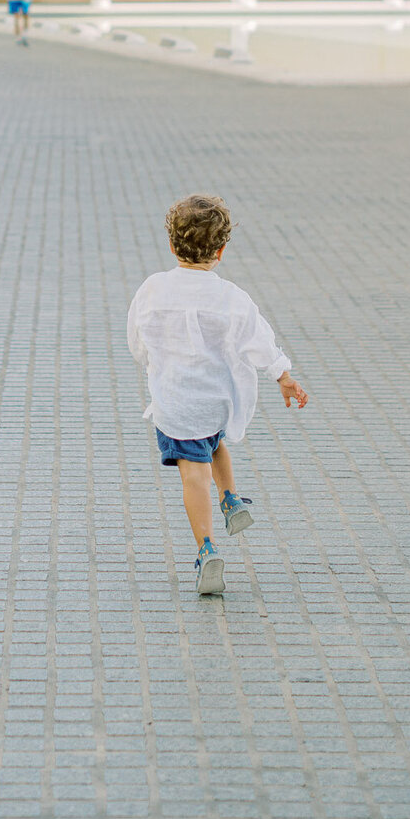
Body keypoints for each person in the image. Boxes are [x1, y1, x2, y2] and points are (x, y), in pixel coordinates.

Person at [127, 193, 309, 597]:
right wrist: (282, 375)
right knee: (215, 443)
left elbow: (137, 339)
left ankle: (205, 549)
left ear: (172, 246)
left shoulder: (153, 289)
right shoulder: (231, 297)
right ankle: (230, 498)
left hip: (176, 402)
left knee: (193, 473)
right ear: (222, 250)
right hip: (216, 400)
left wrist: (150, 363)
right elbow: (257, 339)